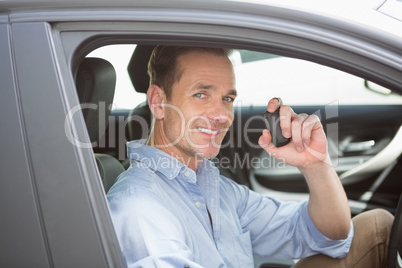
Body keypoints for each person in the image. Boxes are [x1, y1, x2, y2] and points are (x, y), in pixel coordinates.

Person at [107, 46, 394, 267]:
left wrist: (316, 166)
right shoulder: (139, 205)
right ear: (158, 101)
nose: (221, 115)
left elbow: (325, 235)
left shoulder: (217, 189)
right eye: (201, 95)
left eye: (227, 99)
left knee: (378, 225)